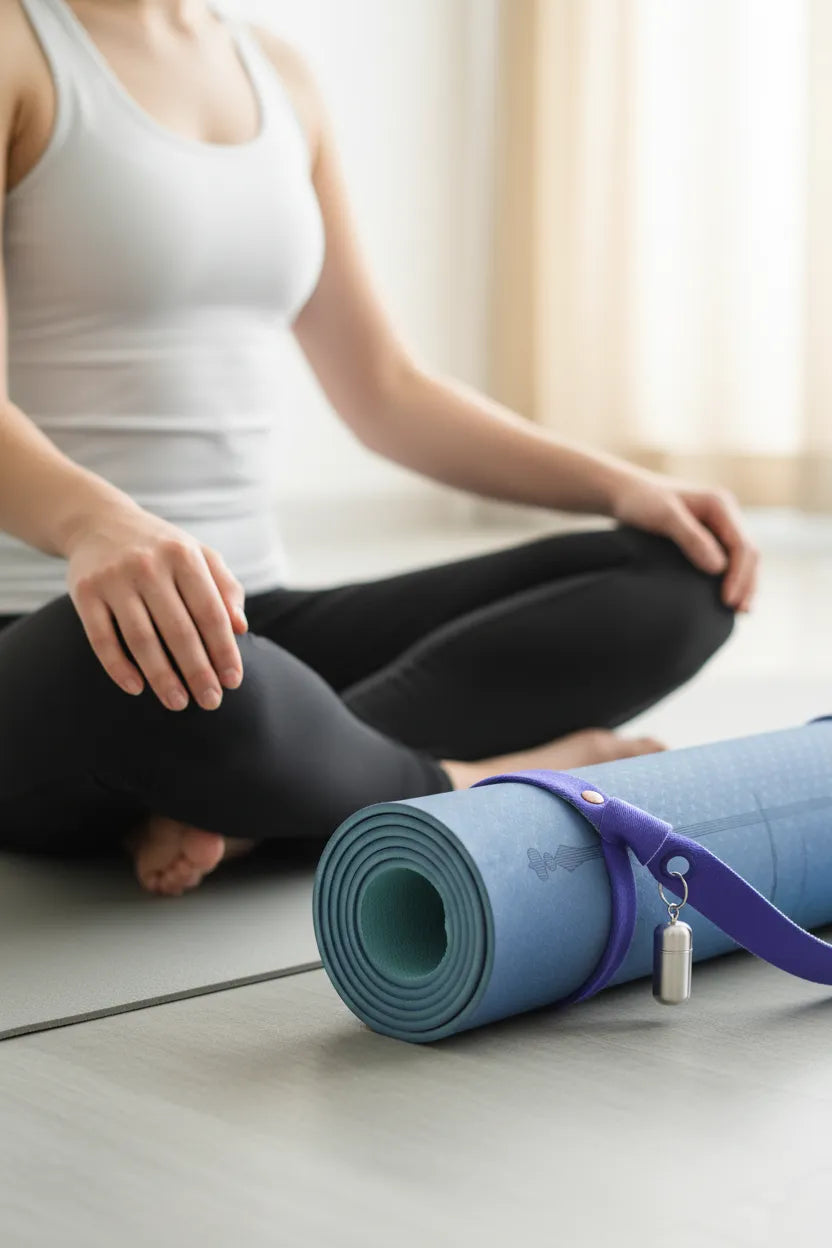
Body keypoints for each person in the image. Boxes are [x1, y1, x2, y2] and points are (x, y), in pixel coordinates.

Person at [0, 0, 757, 898]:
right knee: (141, 675)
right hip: (59, 635)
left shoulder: (278, 72)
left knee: (683, 574)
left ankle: (269, 796)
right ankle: (462, 785)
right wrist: (98, 523)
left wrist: (624, 486)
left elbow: (385, 390)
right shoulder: (20, 45)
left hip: (253, 630)